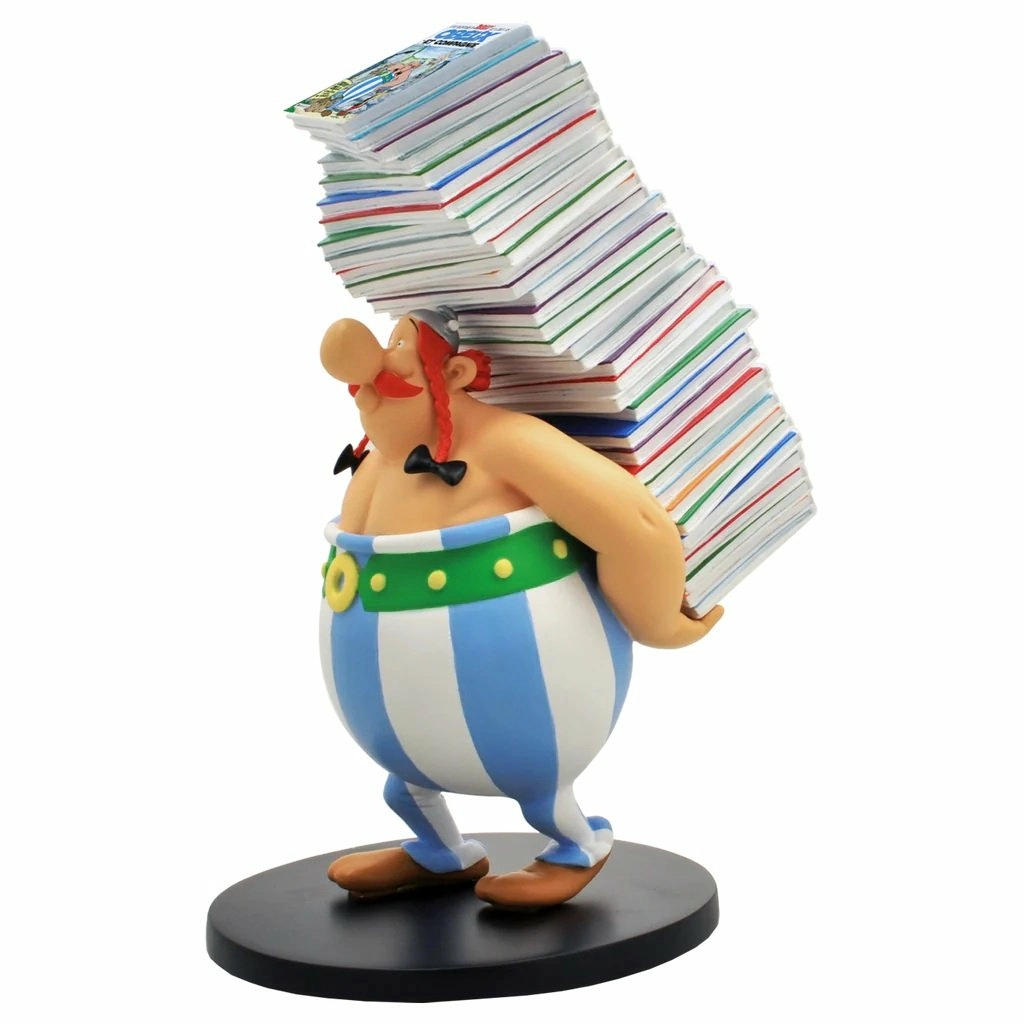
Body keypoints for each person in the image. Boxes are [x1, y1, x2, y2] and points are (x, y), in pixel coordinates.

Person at [317, 310, 723, 909]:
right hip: (389, 707)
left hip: (533, 683)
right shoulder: (377, 458)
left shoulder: (505, 442)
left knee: (537, 785)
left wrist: (657, 620)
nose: (373, 365)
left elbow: (633, 523)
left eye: (399, 345)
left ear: (456, 373)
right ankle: (440, 851)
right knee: (404, 788)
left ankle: (579, 843)